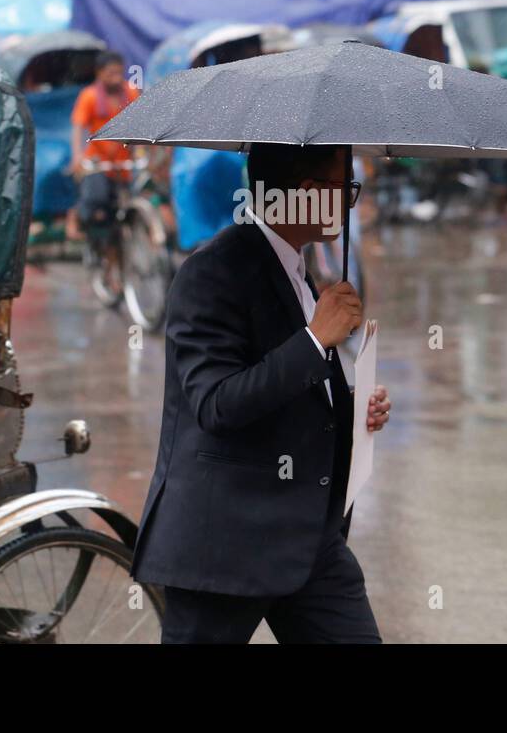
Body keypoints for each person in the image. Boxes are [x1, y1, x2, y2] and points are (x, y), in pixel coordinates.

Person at [131, 142, 393, 643]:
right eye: (347, 189)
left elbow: (295, 380)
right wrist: (316, 338)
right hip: (225, 543)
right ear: (312, 194)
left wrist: (354, 405)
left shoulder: (299, 268)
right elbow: (216, 403)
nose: (351, 202)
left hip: (309, 538)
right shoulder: (211, 272)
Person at [69, 51, 139, 271]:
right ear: (99, 74)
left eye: (119, 72)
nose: (116, 78)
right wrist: (78, 157)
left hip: (123, 163)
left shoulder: (131, 91)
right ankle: (78, 214)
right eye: (110, 73)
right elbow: (79, 128)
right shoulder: (89, 96)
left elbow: (141, 122)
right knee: (98, 205)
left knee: (129, 208)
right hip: (98, 161)